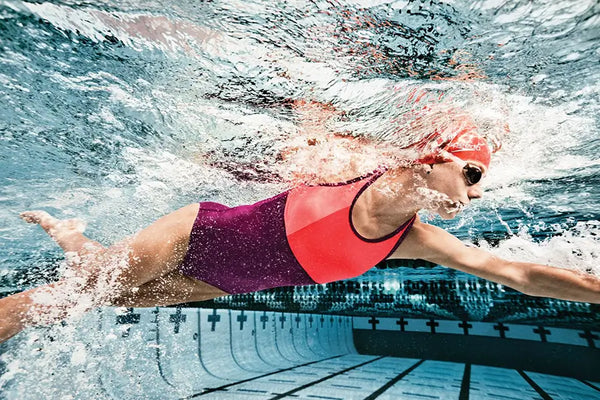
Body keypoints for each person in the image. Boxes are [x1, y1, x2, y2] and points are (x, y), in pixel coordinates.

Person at [1, 121, 599, 344]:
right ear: (434, 156)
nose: (473, 193)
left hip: (221, 280)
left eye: (480, 184)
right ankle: (66, 242)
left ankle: (67, 230)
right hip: (195, 235)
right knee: (61, 301)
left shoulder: (413, 239)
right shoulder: (355, 167)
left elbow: (517, 274)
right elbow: (307, 134)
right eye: (471, 173)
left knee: (104, 290)